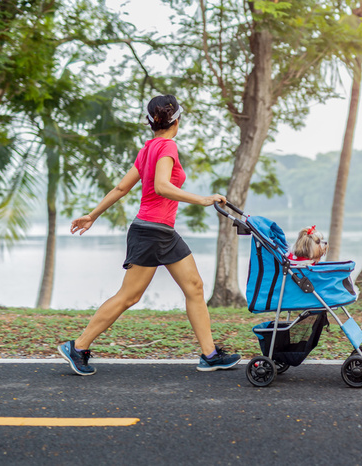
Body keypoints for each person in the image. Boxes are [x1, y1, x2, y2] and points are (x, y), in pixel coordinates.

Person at [57, 94, 240, 375]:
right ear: (177, 120)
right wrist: (203, 199)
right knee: (129, 297)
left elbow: (121, 188)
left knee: (195, 287)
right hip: (151, 232)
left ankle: (210, 354)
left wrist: (92, 215)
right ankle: (78, 347)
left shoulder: (149, 148)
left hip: (161, 231)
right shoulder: (167, 147)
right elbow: (163, 186)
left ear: (151, 121)